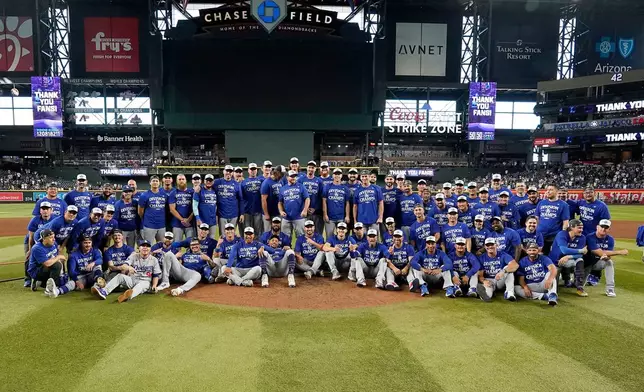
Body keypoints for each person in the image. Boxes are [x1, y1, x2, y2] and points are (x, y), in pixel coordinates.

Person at [91, 239, 161, 303]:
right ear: (138, 248)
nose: (145, 248)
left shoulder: (154, 260)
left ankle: (129, 295)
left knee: (141, 286)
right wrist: (129, 267)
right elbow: (124, 266)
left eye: (147, 246)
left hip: (145, 281)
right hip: (132, 279)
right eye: (143, 246)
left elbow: (155, 275)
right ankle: (104, 291)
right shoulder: (134, 256)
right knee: (120, 276)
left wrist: (154, 285)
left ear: (150, 248)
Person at [584, 220, 628, 297]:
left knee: (609, 262)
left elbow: (608, 255)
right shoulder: (590, 237)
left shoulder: (610, 239)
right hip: (585, 263)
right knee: (577, 285)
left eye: (606, 227)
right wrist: (619, 252)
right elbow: (597, 251)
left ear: (609, 229)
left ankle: (610, 289)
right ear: (597, 227)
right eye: (602, 227)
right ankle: (568, 278)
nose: (603, 229)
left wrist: (606, 257)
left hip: (598, 263)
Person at [548, 219, 587, 296]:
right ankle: (564, 280)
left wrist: (569, 256)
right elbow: (564, 250)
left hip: (568, 260)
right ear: (571, 227)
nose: (581, 230)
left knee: (580, 260)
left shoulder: (582, 237)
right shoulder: (562, 234)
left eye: (582, 228)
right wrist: (580, 250)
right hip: (555, 262)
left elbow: (581, 255)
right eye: (579, 228)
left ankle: (579, 288)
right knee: (553, 289)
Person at [535, 184, 570, 254]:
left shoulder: (563, 205)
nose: (548, 192)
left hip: (554, 236)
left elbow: (565, 223)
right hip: (541, 234)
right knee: (539, 255)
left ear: (557, 191)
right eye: (547, 190)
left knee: (553, 255)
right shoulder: (541, 203)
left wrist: (562, 237)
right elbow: (537, 218)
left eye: (551, 190)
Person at [24, 201, 53, 286]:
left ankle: (45, 278)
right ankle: (28, 279)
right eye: (43, 209)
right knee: (29, 259)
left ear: (51, 210)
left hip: (47, 243)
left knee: (49, 258)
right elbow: (31, 237)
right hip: (32, 242)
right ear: (40, 211)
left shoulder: (54, 219)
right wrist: (30, 250)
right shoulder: (35, 220)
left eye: (47, 209)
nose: (45, 211)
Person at [279, 170, 310, 238]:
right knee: (285, 238)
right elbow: (280, 202)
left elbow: (307, 199)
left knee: (301, 238)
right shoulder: (283, 188)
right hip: (286, 217)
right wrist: (281, 211)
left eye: (295, 176)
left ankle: (300, 249)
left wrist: (305, 210)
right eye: (291, 176)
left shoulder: (301, 186)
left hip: (299, 217)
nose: (293, 178)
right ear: (287, 177)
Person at [138, 175, 168, 244]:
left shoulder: (164, 195)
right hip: (149, 225)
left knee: (161, 246)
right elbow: (140, 212)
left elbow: (165, 209)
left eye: (156, 181)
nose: (155, 182)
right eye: (153, 181)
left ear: (159, 183)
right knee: (148, 246)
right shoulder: (144, 195)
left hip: (161, 225)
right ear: (150, 182)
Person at [215, 165, 244, 236]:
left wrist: (242, 213)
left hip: (234, 214)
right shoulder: (217, 182)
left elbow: (241, 199)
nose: (228, 172)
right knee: (223, 236)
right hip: (221, 214)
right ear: (223, 171)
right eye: (227, 171)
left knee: (232, 235)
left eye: (230, 171)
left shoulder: (236, 184)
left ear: (232, 173)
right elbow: (207, 185)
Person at [353, 170, 383, 237]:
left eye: (366, 176)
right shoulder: (357, 190)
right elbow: (355, 206)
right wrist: (355, 220)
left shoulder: (377, 188)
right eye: (362, 176)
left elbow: (381, 203)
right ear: (360, 177)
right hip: (361, 220)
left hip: (374, 219)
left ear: (369, 177)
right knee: (363, 240)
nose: (364, 178)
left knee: (375, 240)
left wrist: (380, 217)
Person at [322, 168, 350, 240]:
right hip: (330, 217)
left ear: (341, 176)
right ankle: (330, 251)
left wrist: (347, 216)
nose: (337, 176)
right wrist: (325, 214)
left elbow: (347, 203)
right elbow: (324, 201)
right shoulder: (327, 186)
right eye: (335, 174)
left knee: (342, 237)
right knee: (329, 237)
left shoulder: (345, 188)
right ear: (333, 175)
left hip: (341, 217)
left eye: (339, 174)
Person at [300, 161, 324, 235]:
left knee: (317, 233)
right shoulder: (301, 180)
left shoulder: (319, 181)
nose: (311, 169)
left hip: (316, 212)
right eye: (309, 167)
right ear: (307, 168)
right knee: (305, 233)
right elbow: (299, 196)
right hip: (304, 211)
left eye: (312, 167)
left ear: (315, 169)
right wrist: (305, 208)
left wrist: (315, 208)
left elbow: (321, 197)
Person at [168, 174, 194, 241]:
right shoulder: (173, 193)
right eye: (179, 179)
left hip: (190, 224)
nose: (181, 181)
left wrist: (188, 219)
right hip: (177, 224)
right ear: (176, 181)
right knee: (176, 246)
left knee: (191, 245)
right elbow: (172, 209)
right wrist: (183, 220)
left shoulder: (192, 192)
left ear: (186, 180)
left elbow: (195, 207)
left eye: (183, 179)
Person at [241, 163, 264, 236]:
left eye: (254, 169)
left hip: (258, 210)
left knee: (258, 232)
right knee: (247, 232)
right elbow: (241, 198)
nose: (253, 171)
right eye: (251, 169)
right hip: (247, 211)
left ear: (257, 170)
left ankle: (257, 246)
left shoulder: (261, 180)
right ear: (248, 170)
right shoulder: (243, 182)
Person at [193, 173, 218, 239]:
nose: (209, 182)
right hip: (202, 220)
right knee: (201, 240)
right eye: (207, 180)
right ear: (204, 181)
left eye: (210, 180)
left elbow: (216, 205)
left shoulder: (215, 191)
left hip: (212, 220)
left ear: (213, 181)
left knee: (211, 240)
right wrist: (197, 218)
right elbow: (194, 206)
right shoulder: (199, 190)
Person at [261, 166, 284, 232]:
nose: (282, 176)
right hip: (269, 213)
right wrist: (266, 214)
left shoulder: (280, 182)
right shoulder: (266, 183)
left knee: (278, 232)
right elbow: (263, 199)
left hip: (278, 212)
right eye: (281, 174)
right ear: (276, 173)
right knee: (268, 232)